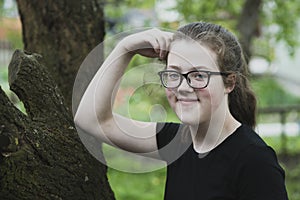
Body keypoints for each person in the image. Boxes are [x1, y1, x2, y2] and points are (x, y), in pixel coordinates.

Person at [74, 22, 288, 199]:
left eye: (199, 76)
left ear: (229, 83)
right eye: (174, 74)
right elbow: (91, 119)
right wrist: (125, 47)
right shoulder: (177, 141)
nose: (183, 87)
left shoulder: (255, 161)